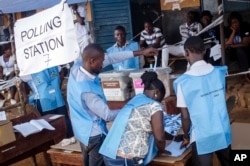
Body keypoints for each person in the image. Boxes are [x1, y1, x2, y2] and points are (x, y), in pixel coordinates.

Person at [67, 43, 158, 166]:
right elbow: (108, 115)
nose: (103, 64)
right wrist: (130, 109)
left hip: (81, 130)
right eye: (101, 62)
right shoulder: (87, 91)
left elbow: (111, 58)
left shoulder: (77, 67)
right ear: (92, 61)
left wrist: (141, 52)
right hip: (94, 135)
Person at [173, 36, 231, 166]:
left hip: (201, 136)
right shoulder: (220, 72)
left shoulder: (183, 82)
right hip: (222, 129)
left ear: (186, 53)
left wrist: (186, 136)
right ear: (205, 51)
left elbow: (185, 116)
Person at [99, 71, 169, 165]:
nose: (159, 103)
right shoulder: (154, 106)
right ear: (156, 92)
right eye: (160, 99)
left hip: (109, 153)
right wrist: (161, 150)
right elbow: (160, 138)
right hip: (126, 159)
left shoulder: (136, 99)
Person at [21, 66, 74, 138]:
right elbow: (61, 71)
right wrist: (58, 86)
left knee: (52, 122)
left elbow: (22, 80)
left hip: (45, 99)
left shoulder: (29, 71)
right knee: (61, 119)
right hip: (53, 97)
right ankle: (67, 137)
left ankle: (61, 139)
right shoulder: (51, 64)